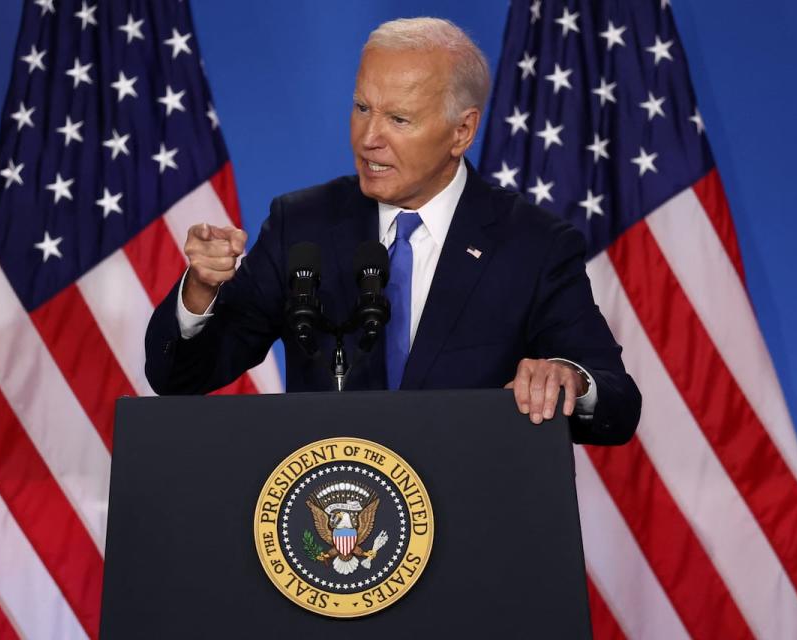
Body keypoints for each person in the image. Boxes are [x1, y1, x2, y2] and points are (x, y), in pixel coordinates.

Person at [145, 17, 641, 445]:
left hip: (474, 531)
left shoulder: (532, 245)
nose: (368, 138)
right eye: (362, 108)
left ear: (461, 132)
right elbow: (180, 377)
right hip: (335, 531)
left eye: (398, 119)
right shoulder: (302, 226)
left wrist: (569, 378)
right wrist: (201, 292)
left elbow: (617, 402)